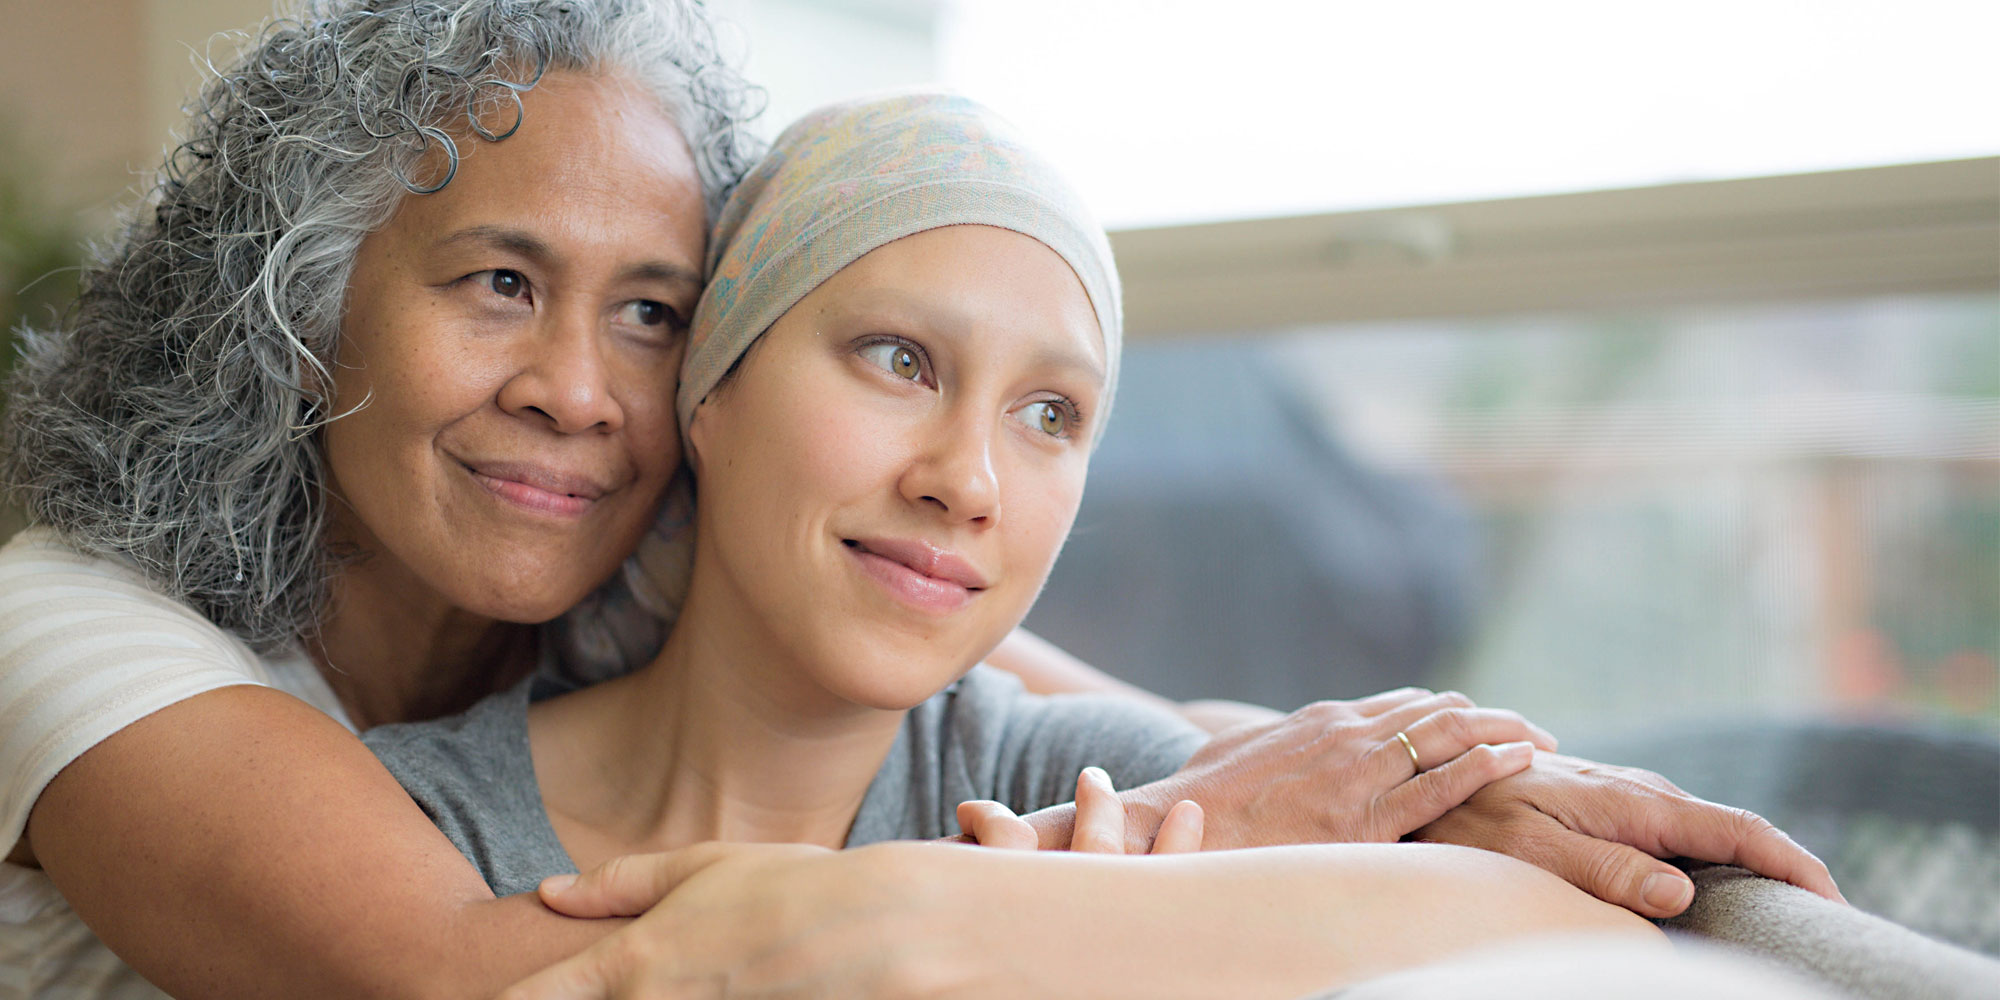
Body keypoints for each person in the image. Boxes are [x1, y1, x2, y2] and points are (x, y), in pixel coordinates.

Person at [0, 1, 1834, 997]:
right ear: (304, 306)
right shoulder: (72, 630)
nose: (578, 385)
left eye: (645, 310)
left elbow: (1117, 711)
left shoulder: (622, 557)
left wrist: (1467, 781)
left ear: (698, 370)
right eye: (497, 282)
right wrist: (1113, 865)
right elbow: (494, 989)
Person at [367, 90, 1669, 999]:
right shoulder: (416, 825)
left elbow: (1599, 940)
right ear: (712, 385)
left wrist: (1055, 927)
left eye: (1051, 414)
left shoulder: (1083, 773)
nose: (970, 481)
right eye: (899, 359)